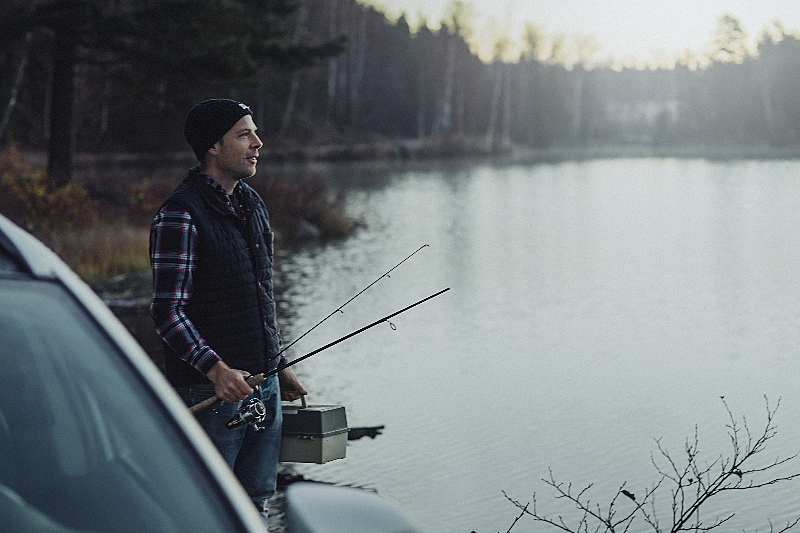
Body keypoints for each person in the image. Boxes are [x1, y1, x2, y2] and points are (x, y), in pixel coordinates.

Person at [149, 98, 306, 526]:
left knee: (253, 503)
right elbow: (168, 313)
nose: (258, 142)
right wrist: (217, 371)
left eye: (254, 132)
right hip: (211, 394)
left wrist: (280, 365)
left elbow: (261, 297)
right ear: (212, 147)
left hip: (264, 384)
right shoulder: (180, 215)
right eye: (244, 134)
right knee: (207, 510)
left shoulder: (252, 204)